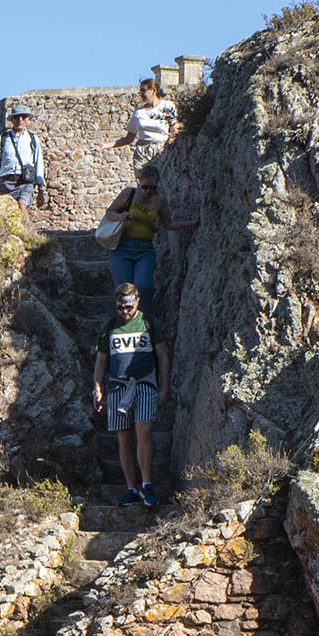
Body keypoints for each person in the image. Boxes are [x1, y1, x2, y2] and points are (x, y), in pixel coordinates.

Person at [92, 282, 165, 508]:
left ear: (137, 302)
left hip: (144, 383)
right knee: (123, 437)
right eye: (121, 308)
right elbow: (101, 359)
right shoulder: (109, 326)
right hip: (117, 386)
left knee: (144, 429)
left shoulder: (149, 323)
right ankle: (131, 488)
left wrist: (165, 387)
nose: (125, 312)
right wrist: (97, 387)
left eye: (129, 307)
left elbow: (163, 356)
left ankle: (147, 484)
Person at [101, 164, 195, 308]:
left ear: (157, 185)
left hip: (144, 251)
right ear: (139, 182)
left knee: (143, 288)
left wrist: (191, 223)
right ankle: (125, 325)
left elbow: (168, 224)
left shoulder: (160, 201)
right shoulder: (129, 194)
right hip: (122, 248)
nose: (148, 191)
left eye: (153, 188)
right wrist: (120, 216)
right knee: (124, 291)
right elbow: (109, 212)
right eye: (145, 187)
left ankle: (143, 323)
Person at [105, 78, 180, 171]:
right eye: (140, 91)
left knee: (162, 181)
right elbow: (128, 139)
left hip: (162, 150)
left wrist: (168, 146)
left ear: (153, 91)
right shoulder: (139, 112)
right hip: (142, 152)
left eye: (143, 91)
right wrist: (105, 145)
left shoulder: (167, 106)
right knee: (143, 182)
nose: (141, 94)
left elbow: (175, 128)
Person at [0, 104, 47, 212]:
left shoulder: (32, 139)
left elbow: (38, 162)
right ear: (12, 120)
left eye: (23, 117)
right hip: (6, 183)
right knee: (9, 214)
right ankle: (25, 229)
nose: (20, 120)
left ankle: (27, 228)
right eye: (17, 117)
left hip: (25, 182)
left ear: (27, 119)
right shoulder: (2, 139)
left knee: (22, 207)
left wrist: (40, 187)